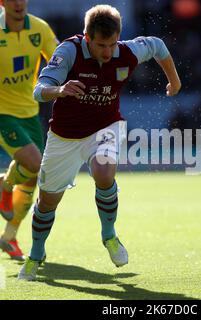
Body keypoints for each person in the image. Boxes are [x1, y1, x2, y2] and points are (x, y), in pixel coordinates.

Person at [18, 4, 181, 281]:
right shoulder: (68, 52)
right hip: (65, 136)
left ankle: (109, 236)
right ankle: (35, 254)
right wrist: (60, 89)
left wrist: (174, 81)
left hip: (106, 127)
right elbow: (38, 91)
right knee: (47, 202)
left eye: (112, 43)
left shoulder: (127, 51)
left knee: (104, 173)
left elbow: (157, 45)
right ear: (87, 37)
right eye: (101, 45)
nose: (108, 52)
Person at [0, 0, 58, 261]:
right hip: (2, 113)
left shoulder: (40, 28)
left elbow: (59, 60)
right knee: (34, 163)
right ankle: (4, 185)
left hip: (29, 112)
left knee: (33, 176)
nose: (18, 3)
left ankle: (9, 237)